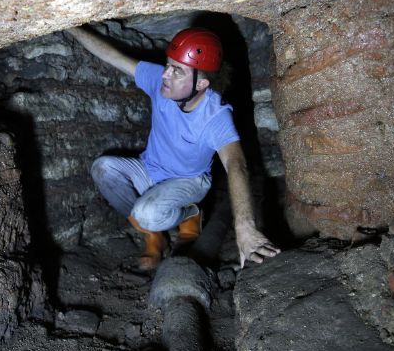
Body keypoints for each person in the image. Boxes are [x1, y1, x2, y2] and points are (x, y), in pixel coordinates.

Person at [67, 26, 280, 270]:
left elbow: (236, 164)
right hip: (149, 169)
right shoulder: (160, 81)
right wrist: (72, 28)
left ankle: (189, 213)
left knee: (147, 212)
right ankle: (152, 234)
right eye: (168, 65)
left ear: (201, 84)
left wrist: (245, 228)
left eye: (177, 70)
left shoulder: (215, 116)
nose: (166, 74)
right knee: (103, 168)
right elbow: (112, 56)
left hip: (189, 180)